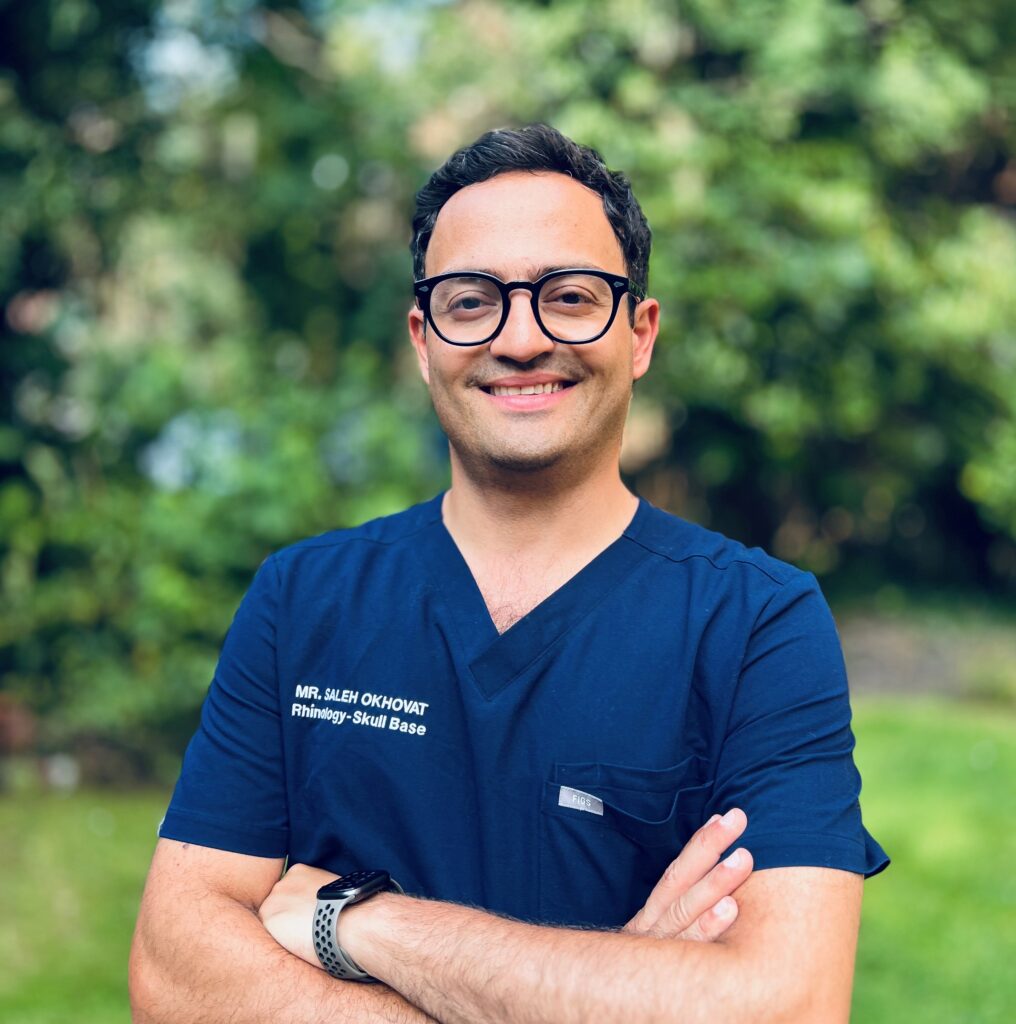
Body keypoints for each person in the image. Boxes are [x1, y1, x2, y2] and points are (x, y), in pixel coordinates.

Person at [129, 124, 888, 1023]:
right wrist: (613, 989)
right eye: (470, 301)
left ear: (640, 334)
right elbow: (173, 974)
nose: (521, 339)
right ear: (424, 340)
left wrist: (362, 923)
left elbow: (789, 1004)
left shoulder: (757, 623)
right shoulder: (303, 599)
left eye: (569, 297)